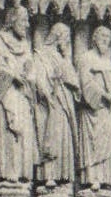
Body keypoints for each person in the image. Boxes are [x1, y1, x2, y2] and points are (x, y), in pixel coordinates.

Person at [0, 5, 38, 180]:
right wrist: (15, 75)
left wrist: (29, 75)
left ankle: (23, 175)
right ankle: (7, 175)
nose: (26, 25)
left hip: (23, 96)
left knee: (23, 133)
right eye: (23, 20)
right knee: (8, 133)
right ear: (12, 21)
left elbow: (32, 69)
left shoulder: (26, 45)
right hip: (7, 94)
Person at [33, 22, 80, 185]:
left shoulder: (62, 57)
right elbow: (37, 78)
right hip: (50, 102)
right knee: (51, 134)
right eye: (66, 37)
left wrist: (67, 58)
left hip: (64, 101)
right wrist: (48, 93)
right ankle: (49, 175)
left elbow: (74, 81)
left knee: (63, 136)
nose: (67, 42)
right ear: (58, 37)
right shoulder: (41, 54)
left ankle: (64, 175)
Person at [78, 25, 111, 186]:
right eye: (102, 36)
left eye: (108, 38)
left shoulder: (108, 61)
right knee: (92, 143)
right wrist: (103, 94)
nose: (106, 40)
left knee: (107, 141)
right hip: (92, 109)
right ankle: (92, 178)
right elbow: (85, 82)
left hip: (106, 110)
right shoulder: (86, 58)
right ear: (94, 38)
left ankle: (106, 179)